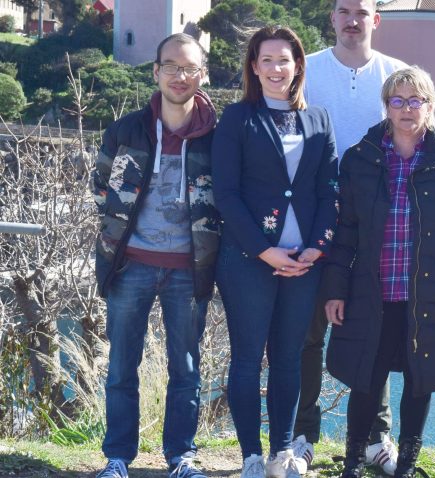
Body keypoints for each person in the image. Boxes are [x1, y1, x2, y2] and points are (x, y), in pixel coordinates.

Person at [323, 66, 435, 478]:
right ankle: (352, 463)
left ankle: (407, 465)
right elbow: (345, 231)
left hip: (428, 295)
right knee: (365, 380)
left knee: (420, 381)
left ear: (430, 106)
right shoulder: (360, 159)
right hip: (370, 294)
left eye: (415, 100)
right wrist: (335, 289)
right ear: (387, 106)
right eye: (397, 100)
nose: (406, 109)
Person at [211, 25, 339, 478]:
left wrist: (316, 250)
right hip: (248, 261)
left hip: (303, 264)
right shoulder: (237, 119)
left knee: (289, 358)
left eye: (283, 59)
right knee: (248, 357)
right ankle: (250, 454)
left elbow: (330, 191)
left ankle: (282, 453)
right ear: (253, 67)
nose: (275, 68)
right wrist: (265, 251)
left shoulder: (319, 120)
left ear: (298, 64)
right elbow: (225, 195)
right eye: (266, 60)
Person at [91, 33, 219, 478]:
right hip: (130, 267)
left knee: (185, 370)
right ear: (156, 72)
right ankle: (118, 458)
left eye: (189, 68)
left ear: (202, 73)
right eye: (171, 67)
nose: (180, 77)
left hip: (190, 270)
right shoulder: (127, 128)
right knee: (123, 366)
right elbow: (101, 186)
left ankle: (181, 457)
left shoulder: (217, 137)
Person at [293, 0, 407, 473]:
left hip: (374, 228)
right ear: (333, 19)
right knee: (305, 334)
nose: (353, 19)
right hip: (311, 221)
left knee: (372, 332)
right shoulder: (306, 71)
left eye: (362, 11)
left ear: (375, 20)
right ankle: (300, 436)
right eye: (344, 11)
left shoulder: (398, 74)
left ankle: (375, 437)